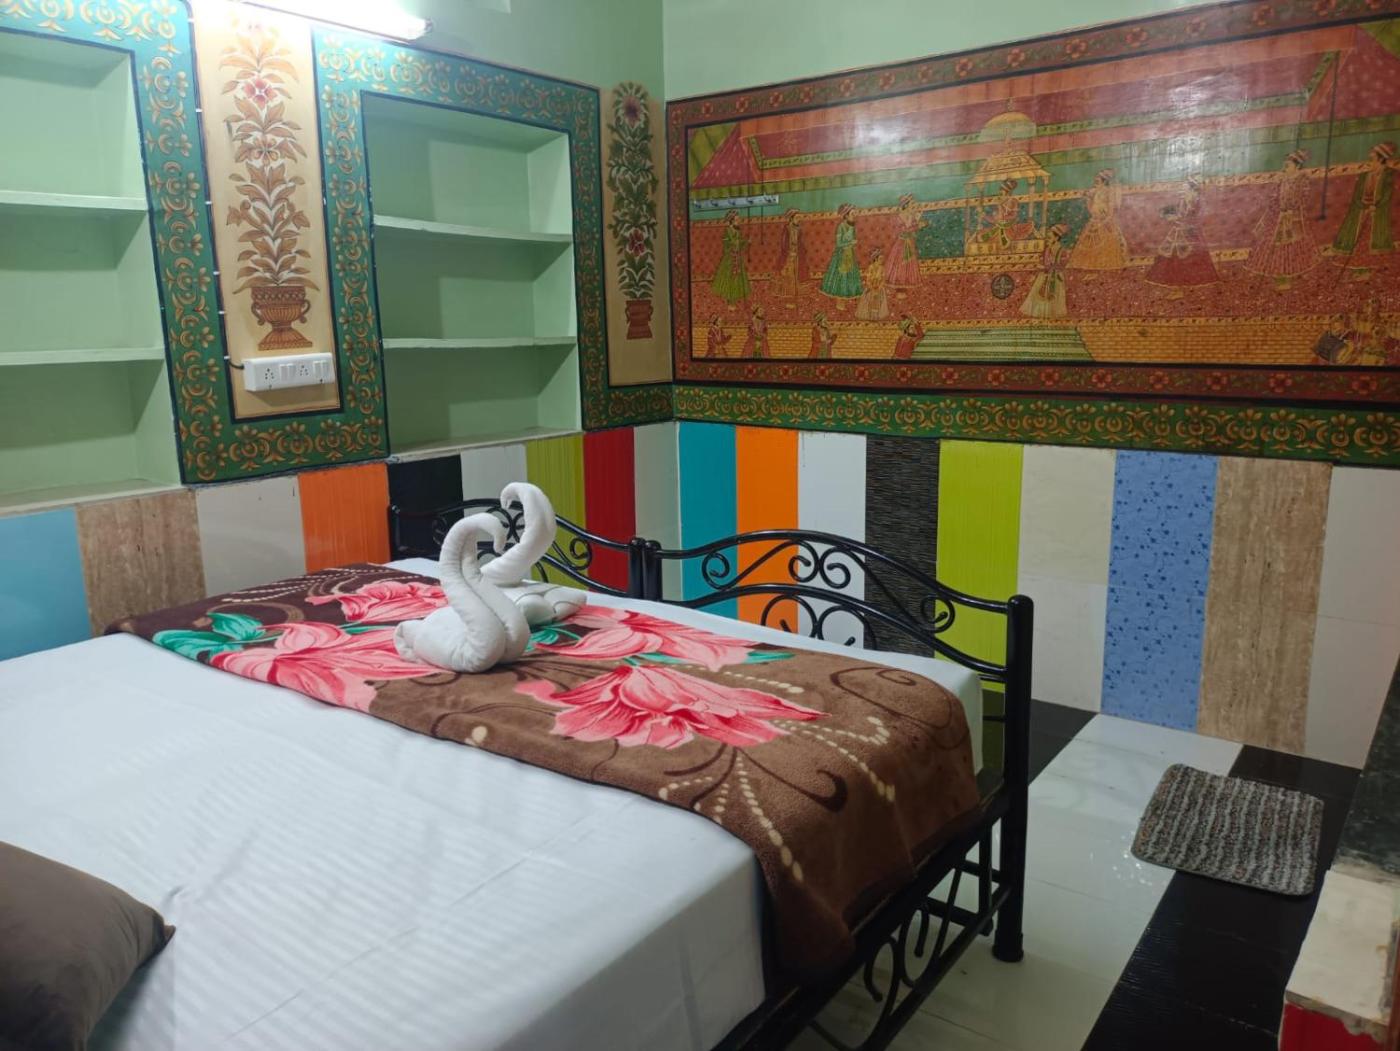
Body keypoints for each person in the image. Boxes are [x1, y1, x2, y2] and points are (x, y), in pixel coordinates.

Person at [1246, 150, 1319, 290]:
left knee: (1291, 244)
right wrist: (1276, 209)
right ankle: (1279, 275)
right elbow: (1274, 196)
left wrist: (1291, 210)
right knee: (1273, 243)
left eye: (1288, 165)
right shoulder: (1281, 179)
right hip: (1278, 215)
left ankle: (1289, 276)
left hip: (1294, 217)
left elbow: (1303, 198)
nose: (1285, 167)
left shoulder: (1302, 180)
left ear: (1297, 166)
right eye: (1285, 165)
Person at [1145, 175, 1219, 297]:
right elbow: (1179, 212)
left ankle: (1193, 288)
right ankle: (1177, 289)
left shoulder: (1198, 201)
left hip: (1191, 234)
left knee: (1193, 260)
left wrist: (1182, 221)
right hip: (1179, 232)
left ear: (1192, 188)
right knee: (1174, 260)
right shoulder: (1183, 199)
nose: (1183, 187)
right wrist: (1169, 215)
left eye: (1186, 185)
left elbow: (1199, 218)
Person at [1332, 141, 1396, 280]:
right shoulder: (1364, 175)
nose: (1371, 158)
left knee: (1370, 241)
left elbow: (1387, 195)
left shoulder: (1388, 175)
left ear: (1380, 158)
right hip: (1362, 212)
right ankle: (1360, 269)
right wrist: (1363, 206)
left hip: (1376, 213)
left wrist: (1375, 206)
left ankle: (1368, 270)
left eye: (1373, 157)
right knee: (1358, 241)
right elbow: (1357, 196)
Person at [1069, 169, 1128, 274]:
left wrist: (1102, 223)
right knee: (1089, 243)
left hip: (1105, 222)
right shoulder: (1095, 192)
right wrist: (1088, 200)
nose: (1095, 180)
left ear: (1104, 180)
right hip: (1094, 220)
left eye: (1098, 178)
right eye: (1096, 178)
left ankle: (1103, 267)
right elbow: (1092, 210)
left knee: (1105, 243)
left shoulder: (1109, 192)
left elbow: (1110, 213)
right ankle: (1091, 267)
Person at [1020, 223, 1070, 319]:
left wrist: (1049, 267)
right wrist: (1042, 266)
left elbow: (1062, 265)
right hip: (1045, 275)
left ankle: (1052, 315)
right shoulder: (1047, 249)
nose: (1047, 240)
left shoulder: (1061, 251)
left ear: (1056, 238)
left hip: (1055, 276)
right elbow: (1043, 261)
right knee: (1038, 294)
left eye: (1050, 238)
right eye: (1047, 238)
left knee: (1053, 296)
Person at [820, 203, 863, 299]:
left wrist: (853, 244)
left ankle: (849, 292)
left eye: (855, 213)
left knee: (851, 273)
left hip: (850, 253)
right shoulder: (841, 227)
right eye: (852, 214)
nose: (854, 216)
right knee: (841, 274)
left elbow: (854, 239)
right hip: (841, 255)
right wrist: (850, 243)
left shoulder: (852, 226)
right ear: (846, 215)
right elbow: (839, 244)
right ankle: (841, 294)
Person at [976, 178, 1033, 250]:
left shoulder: (1013, 201)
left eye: (1002, 191)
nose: (1000, 194)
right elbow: (995, 220)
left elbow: (1013, 216)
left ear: (1007, 192)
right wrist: (984, 216)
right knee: (982, 235)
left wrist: (1003, 217)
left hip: (1009, 227)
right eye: (1000, 191)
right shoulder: (999, 203)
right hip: (999, 226)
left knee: (998, 237)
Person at [884, 193, 925, 288]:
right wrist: (917, 223)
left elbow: (913, 228)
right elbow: (905, 230)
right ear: (906, 205)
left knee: (910, 262)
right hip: (902, 243)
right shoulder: (900, 216)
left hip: (909, 241)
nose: (914, 206)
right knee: (900, 261)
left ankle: (909, 281)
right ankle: (899, 281)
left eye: (914, 204)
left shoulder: (911, 215)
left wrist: (917, 221)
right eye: (912, 204)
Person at [710, 209, 750, 304]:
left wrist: (746, 242)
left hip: (737, 258)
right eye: (736, 220)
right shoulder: (727, 231)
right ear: (731, 221)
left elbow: (740, 244)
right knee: (729, 278)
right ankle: (730, 299)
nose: (738, 221)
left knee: (737, 278)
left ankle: (734, 297)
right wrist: (739, 242)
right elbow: (728, 244)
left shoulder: (738, 231)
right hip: (730, 259)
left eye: (738, 219)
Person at [772, 208, 803, 301]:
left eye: (799, 217)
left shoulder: (799, 229)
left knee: (796, 274)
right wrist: (789, 253)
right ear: (791, 218)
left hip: (796, 255)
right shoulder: (787, 228)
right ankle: (788, 297)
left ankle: (795, 294)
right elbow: (783, 243)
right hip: (788, 256)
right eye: (797, 218)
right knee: (788, 275)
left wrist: (799, 251)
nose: (798, 219)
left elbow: (799, 242)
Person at [856, 248, 890, 320]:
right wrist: (871, 287)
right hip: (871, 288)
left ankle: (876, 316)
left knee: (878, 301)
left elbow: (883, 279)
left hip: (879, 288)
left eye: (882, 259)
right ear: (876, 259)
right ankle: (871, 315)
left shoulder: (882, 268)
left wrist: (879, 287)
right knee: (870, 300)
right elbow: (868, 279)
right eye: (880, 259)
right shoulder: (871, 267)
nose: (882, 260)